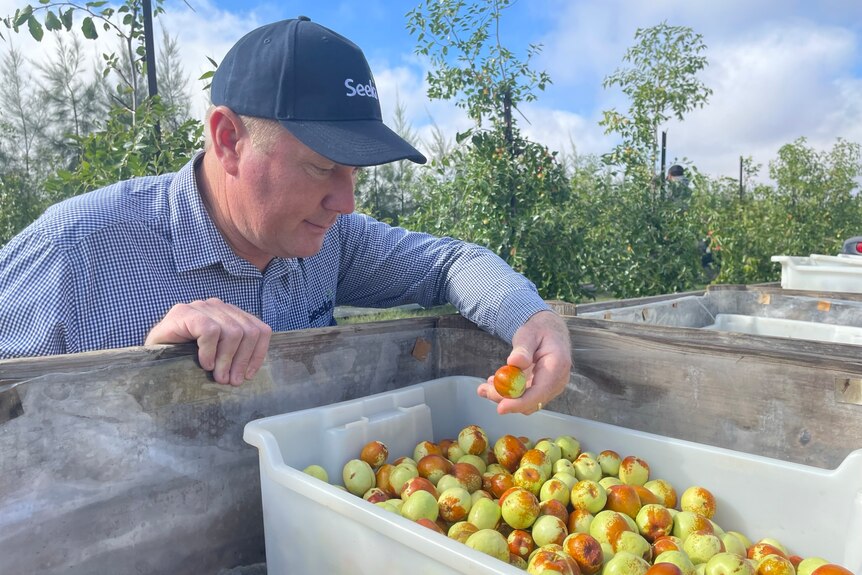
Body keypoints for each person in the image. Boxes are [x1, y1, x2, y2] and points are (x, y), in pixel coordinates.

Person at [0, 17, 571, 415]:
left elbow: (450, 262)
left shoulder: (329, 240)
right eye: (322, 168)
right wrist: (145, 371)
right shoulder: (72, 252)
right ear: (228, 140)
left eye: (356, 173)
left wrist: (532, 319)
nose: (346, 203)